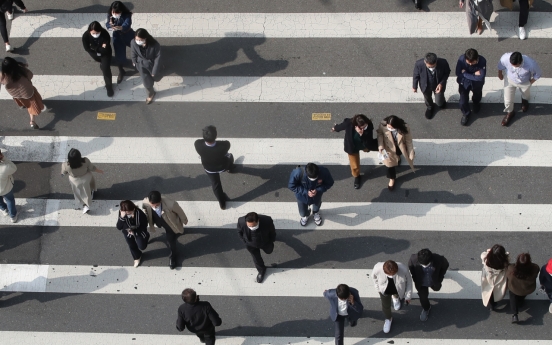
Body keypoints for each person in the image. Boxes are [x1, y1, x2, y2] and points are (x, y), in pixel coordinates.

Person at [142, 191, 188, 270]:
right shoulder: (145, 202)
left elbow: (180, 212)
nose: (154, 207)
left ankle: (173, 257)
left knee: (170, 242)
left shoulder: (171, 204)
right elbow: (145, 208)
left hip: (169, 223)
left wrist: (184, 220)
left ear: (160, 201)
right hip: (158, 221)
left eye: (157, 205)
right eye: (152, 205)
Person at [194, 125, 235, 210]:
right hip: (223, 166)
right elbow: (226, 143)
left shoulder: (198, 144)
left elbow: (201, 141)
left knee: (216, 184)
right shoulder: (224, 145)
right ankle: (230, 169)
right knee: (230, 157)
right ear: (215, 136)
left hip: (209, 168)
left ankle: (222, 204)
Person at [331, 114, 377, 189]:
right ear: (356, 126)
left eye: (365, 126)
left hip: (364, 145)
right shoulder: (349, 123)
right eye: (363, 127)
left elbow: (368, 141)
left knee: (373, 148)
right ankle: (357, 176)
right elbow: (341, 126)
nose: (365, 128)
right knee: (354, 166)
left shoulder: (369, 125)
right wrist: (335, 128)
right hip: (352, 148)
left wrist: (362, 135)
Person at [0, 57, 48, 129]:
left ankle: (22, 105)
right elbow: (30, 75)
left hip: (15, 94)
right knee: (31, 105)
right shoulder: (21, 70)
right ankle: (32, 121)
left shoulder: (3, 75)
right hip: (27, 92)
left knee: (22, 100)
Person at [497, 51, 542, 126]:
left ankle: (524, 100)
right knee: (507, 100)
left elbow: (538, 74)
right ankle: (510, 112)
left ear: (521, 62)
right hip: (509, 80)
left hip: (524, 82)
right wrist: (500, 74)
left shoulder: (531, 64)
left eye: (516, 66)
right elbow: (500, 66)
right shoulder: (505, 58)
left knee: (526, 95)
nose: (513, 67)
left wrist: (530, 83)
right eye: (512, 65)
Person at [408, 248, 449, 322]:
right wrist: (415, 280)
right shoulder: (413, 259)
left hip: (434, 282)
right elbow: (412, 271)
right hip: (421, 284)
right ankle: (426, 309)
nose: (424, 266)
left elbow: (445, 265)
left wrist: (440, 277)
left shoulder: (439, 259)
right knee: (423, 298)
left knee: (437, 288)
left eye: (427, 265)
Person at [288, 162, 334, 226]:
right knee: (302, 212)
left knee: (316, 207)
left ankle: (315, 213)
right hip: (302, 197)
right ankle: (305, 215)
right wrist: (306, 192)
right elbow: (291, 186)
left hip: (317, 195)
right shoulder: (298, 172)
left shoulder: (324, 172)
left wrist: (318, 190)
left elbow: (330, 183)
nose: (313, 180)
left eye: (315, 178)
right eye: (311, 179)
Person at [372, 260, 412, 333]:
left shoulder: (403, 269)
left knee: (396, 292)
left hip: (397, 289)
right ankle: (388, 318)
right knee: (385, 306)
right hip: (384, 290)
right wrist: (378, 289)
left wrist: (408, 296)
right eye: (389, 275)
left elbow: (409, 282)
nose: (391, 276)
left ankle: (395, 297)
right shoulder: (377, 268)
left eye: (393, 274)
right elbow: (374, 278)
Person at [376, 115, 415, 191]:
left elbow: (408, 141)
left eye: (391, 128)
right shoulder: (383, 125)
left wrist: (411, 152)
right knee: (389, 165)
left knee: (400, 155)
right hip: (387, 148)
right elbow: (379, 134)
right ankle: (392, 178)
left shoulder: (405, 127)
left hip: (400, 146)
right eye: (388, 126)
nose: (389, 128)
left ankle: (398, 159)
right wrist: (380, 145)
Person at [60, 148, 104, 214]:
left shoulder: (66, 165)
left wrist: (62, 174)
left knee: (78, 192)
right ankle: (91, 192)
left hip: (75, 181)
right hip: (86, 177)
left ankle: (84, 205)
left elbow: (63, 173)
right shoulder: (85, 161)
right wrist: (100, 171)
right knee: (89, 186)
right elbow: (93, 168)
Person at [237, 212, 276, 283]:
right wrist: (245, 242)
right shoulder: (241, 221)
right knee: (256, 258)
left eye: (254, 226)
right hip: (250, 244)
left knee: (269, 251)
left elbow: (272, 232)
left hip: (265, 242)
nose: (252, 228)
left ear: (258, 220)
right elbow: (239, 232)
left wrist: (271, 240)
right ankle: (261, 270)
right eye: (250, 226)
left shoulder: (267, 220)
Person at [412, 52, 451, 119]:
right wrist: (414, 86)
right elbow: (416, 75)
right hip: (425, 86)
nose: (432, 68)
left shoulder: (443, 62)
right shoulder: (418, 64)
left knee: (439, 101)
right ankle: (430, 107)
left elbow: (447, 72)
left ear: (436, 61)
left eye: (434, 66)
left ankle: (441, 103)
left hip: (438, 85)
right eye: (429, 66)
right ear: (425, 62)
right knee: (427, 98)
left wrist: (441, 83)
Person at [82, 21, 114, 97]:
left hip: (105, 54)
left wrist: (94, 47)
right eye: (93, 33)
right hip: (94, 53)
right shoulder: (86, 35)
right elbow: (86, 48)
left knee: (106, 70)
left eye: (97, 33)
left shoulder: (105, 34)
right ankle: (102, 64)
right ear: (89, 31)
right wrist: (98, 48)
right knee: (100, 61)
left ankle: (109, 87)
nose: (95, 35)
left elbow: (105, 49)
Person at [456, 48, 487, 126]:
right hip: (464, 83)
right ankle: (466, 113)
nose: (470, 64)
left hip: (477, 84)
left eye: (472, 62)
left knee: (477, 95)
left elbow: (480, 77)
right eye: (468, 62)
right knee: (462, 101)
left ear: (477, 59)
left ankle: (476, 103)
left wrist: (465, 73)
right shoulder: (461, 59)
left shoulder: (482, 60)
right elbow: (458, 73)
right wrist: (474, 75)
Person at [105, 1, 134, 83]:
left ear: (121, 11)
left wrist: (120, 27)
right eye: (113, 11)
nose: (114, 13)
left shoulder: (127, 15)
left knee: (138, 48)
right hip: (117, 36)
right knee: (119, 56)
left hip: (128, 34)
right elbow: (107, 23)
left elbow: (127, 24)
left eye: (117, 12)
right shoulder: (110, 15)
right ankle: (121, 71)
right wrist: (110, 26)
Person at [130, 28, 161, 104]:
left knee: (156, 78)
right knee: (146, 82)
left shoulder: (155, 45)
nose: (138, 41)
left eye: (140, 40)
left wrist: (154, 71)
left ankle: (155, 76)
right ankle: (151, 94)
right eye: (137, 39)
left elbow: (158, 58)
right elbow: (133, 52)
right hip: (141, 64)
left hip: (152, 64)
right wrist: (134, 61)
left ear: (145, 38)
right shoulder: (133, 42)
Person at [116, 200, 150, 268]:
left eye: (129, 212)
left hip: (139, 231)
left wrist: (135, 232)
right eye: (126, 213)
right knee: (132, 246)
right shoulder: (122, 213)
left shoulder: (140, 214)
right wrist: (122, 218)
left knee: (142, 246)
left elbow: (144, 225)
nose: (128, 214)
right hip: (127, 232)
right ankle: (137, 257)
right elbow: (119, 227)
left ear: (133, 208)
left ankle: (147, 236)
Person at [507, 253, 539, 323]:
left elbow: (508, 276)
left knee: (513, 297)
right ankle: (520, 302)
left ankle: (515, 314)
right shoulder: (535, 268)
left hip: (514, 288)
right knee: (522, 295)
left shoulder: (512, 269)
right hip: (527, 289)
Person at [480, 244, 509, 311]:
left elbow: (482, 254)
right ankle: (496, 300)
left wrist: (488, 251)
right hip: (499, 277)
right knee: (498, 290)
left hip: (489, 277)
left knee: (489, 291)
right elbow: (508, 257)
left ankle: (492, 305)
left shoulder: (486, 259)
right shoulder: (504, 261)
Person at [0, 149, 17, 223]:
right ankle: (13, 216)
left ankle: (3, 209)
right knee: (10, 200)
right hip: (6, 189)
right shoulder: (4, 167)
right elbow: (14, 168)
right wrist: (4, 159)